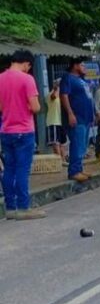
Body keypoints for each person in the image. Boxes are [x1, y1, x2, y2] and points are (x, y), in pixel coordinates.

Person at [0, 49, 46, 220]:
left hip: (6, 131)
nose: (28, 69)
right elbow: (35, 107)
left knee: (9, 169)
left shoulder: (1, 78)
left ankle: (10, 208)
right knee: (22, 170)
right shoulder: (27, 79)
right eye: (29, 66)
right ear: (26, 63)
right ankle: (24, 207)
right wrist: (26, 106)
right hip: (24, 131)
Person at [60, 57, 95, 183]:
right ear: (75, 65)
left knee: (83, 145)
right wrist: (70, 113)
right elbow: (64, 96)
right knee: (77, 144)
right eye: (82, 65)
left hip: (86, 118)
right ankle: (74, 171)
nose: (84, 67)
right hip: (77, 117)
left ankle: (79, 169)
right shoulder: (68, 78)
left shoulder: (81, 80)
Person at [46, 78, 67, 161]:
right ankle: (59, 162)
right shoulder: (49, 95)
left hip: (61, 122)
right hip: (53, 122)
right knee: (56, 143)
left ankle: (64, 160)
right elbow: (53, 96)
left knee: (62, 143)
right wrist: (57, 87)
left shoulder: (61, 96)